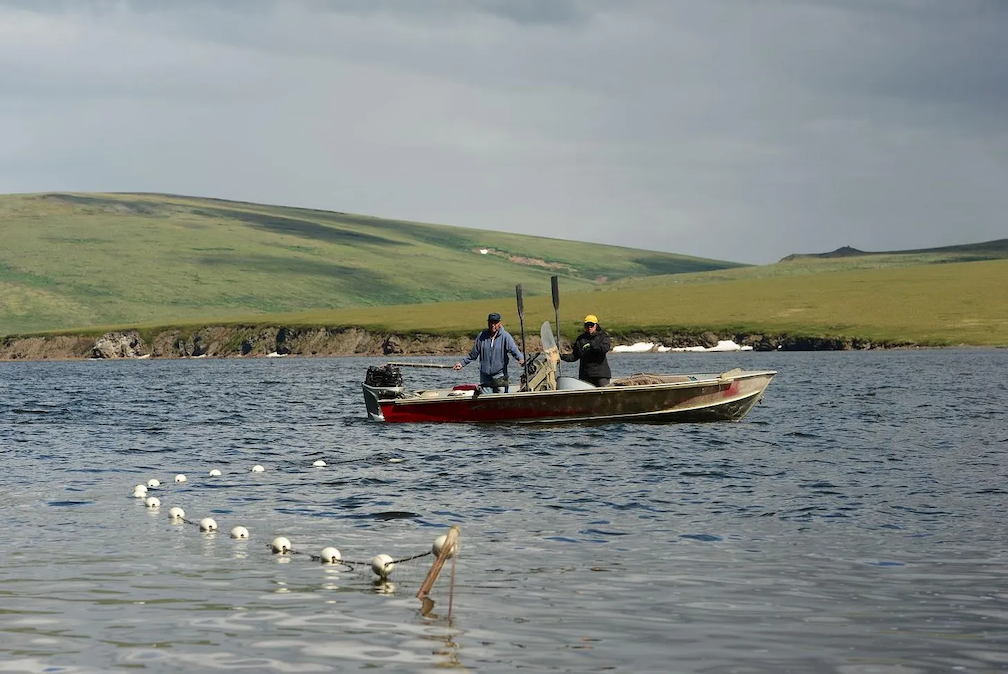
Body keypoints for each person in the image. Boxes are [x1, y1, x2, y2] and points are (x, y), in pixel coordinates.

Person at [454, 312, 525, 393]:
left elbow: (514, 349)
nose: (493, 325)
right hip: (485, 378)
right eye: (491, 322)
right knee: (486, 400)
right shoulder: (482, 336)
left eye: (495, 323)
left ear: (500, 323)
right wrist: (462, 363)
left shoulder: (505, 336)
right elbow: (473, 355)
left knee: (501, 400)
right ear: (488, 323)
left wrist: (521, 359)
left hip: (500, 377)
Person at [560, 314, 612, 387]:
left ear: (596, 325)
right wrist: (561, 356)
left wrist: (592, 345)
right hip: (585, 376)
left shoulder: (603, 337)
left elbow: (604, 349)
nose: (589, 327)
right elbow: (574, 356)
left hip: (601, 375)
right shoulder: (581, 339)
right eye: (587, 325)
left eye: (591, 325)